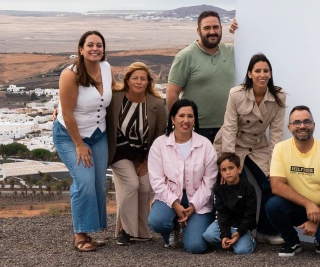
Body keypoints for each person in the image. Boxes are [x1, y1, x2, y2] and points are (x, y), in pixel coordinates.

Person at [215, 53, 287, 243]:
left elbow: (277, 134)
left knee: (270, 185)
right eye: (258, 71)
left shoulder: (279, 97)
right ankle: (237, 231)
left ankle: (265, 231)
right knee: (239, 186)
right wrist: (229, 162)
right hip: (233, 144)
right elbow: (229, 127)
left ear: (270, 74)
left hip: (257, 145)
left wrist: (274, 166)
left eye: (266, 71)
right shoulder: (236, 94)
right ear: (249, 74)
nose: (262, 75)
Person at [54, 30, 112, 252]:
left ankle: (91, 231)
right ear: (81, 49)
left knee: (98, 183)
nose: (95, 48)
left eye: (99, 45)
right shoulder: (70, 74)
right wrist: (79, 144)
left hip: (98, 134)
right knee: (84, 181)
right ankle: (80, 235)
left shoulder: (106, 69)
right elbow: (67, 114)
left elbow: (109, 98)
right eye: (90, 45)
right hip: (71, 136)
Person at [267, 105, 320, 256]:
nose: (302, 126)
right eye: (297, 122)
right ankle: (293, 242)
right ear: (289, 127)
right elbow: (276, 186)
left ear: (313, 125)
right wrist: (308, 204)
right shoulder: (280, 148)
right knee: (273, 205)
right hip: (298, 207)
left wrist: (315, 219)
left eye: (306, 122)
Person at [106, 61, 168, 245]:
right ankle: (126, 231)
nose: (139, 82)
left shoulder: (156, 103)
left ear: (148, 82)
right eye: (135, 78)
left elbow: (159, 134)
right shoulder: (115, 98)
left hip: (143, 155)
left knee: (144, 187)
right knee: (131, 184)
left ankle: (141, 232)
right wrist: (58, 110)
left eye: (143, 79)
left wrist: (148, 161)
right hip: (119, 152)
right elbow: (95, 108)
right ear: (127, 80)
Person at [147, 99, 219, 253]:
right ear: (173, 118)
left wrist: (192, 206)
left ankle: (192, 224)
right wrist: (175, 204)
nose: (186, 120)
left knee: (196, 247)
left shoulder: (206, 145)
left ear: (195, 119)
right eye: (181, 116)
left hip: (197, 199)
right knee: (157, 222)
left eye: (190, 116)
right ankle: (172, 227)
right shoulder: (160, 144)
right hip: (170, 197)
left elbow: (209, 183)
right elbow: (157, 181)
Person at [166, 10, 237, 142]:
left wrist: (240, 32)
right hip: (196, 129)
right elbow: (172, 93)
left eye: (215, 27)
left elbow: (255, 46)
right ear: (198, 31)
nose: (212, 32)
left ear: (221, 29)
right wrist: (178, 124)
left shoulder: (232, 51)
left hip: (227, 128)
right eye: (207, 28)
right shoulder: (185, 56)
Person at [203, 152, 259, 255]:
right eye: (224, 170)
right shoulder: (218, 188)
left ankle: (250, 240)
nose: (228, 172)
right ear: (220, 172)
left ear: (239, 169)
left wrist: (239, 233)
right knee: (208, 235)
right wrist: (225, 235)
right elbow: (221, 213)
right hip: (226, 224)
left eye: (231, 168)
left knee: (242, 251)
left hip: (241, 226)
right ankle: (229, 241)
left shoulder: (248, 188)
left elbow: (250, 214)